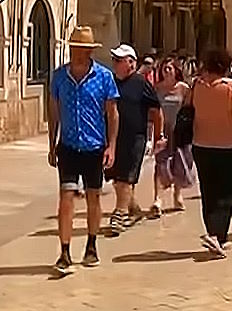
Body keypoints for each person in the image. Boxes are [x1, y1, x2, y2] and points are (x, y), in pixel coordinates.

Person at [47, 27, 119, 274]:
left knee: (93, 197)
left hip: (94, 146)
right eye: (73, 48)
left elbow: (112, 113)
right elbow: (54, 111)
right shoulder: (59, 77)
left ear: (90, 51)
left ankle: (91, 245)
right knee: (66, 199)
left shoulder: (104, 77)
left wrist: (111, 146)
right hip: (68, 146)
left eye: (81, 49)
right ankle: (64, 251)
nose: (77, 53)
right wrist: (51, 143)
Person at [189, 48, 232, 255]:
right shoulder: (231, 87)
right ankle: (216, 234)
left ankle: (215, 235)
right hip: (225, 146)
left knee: (208, 191)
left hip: (200, 145)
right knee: (229, 193)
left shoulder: (197, 85)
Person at [105, 45, 162, 236]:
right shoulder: (110, 82)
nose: (115, 64)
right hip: (113, 138)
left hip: (135, 138)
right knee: (116, 179)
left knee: (125, 180)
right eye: (114, 60)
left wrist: (158, 137)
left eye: (119, 60)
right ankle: (134, 210)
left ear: (131, 63)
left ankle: (119, 215)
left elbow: (156, 112)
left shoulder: (141, 83)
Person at [151, 58, 194, 215]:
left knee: (179, 163)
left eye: (170, 68)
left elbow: (189, 110)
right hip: (162, 130)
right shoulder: (157, 89)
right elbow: (153, 111)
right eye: (164, 68)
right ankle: (157, 198)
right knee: (160, 162)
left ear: (176, 71)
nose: (167, 71)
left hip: (179, 131)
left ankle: (177, 195)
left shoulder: (184, 89)